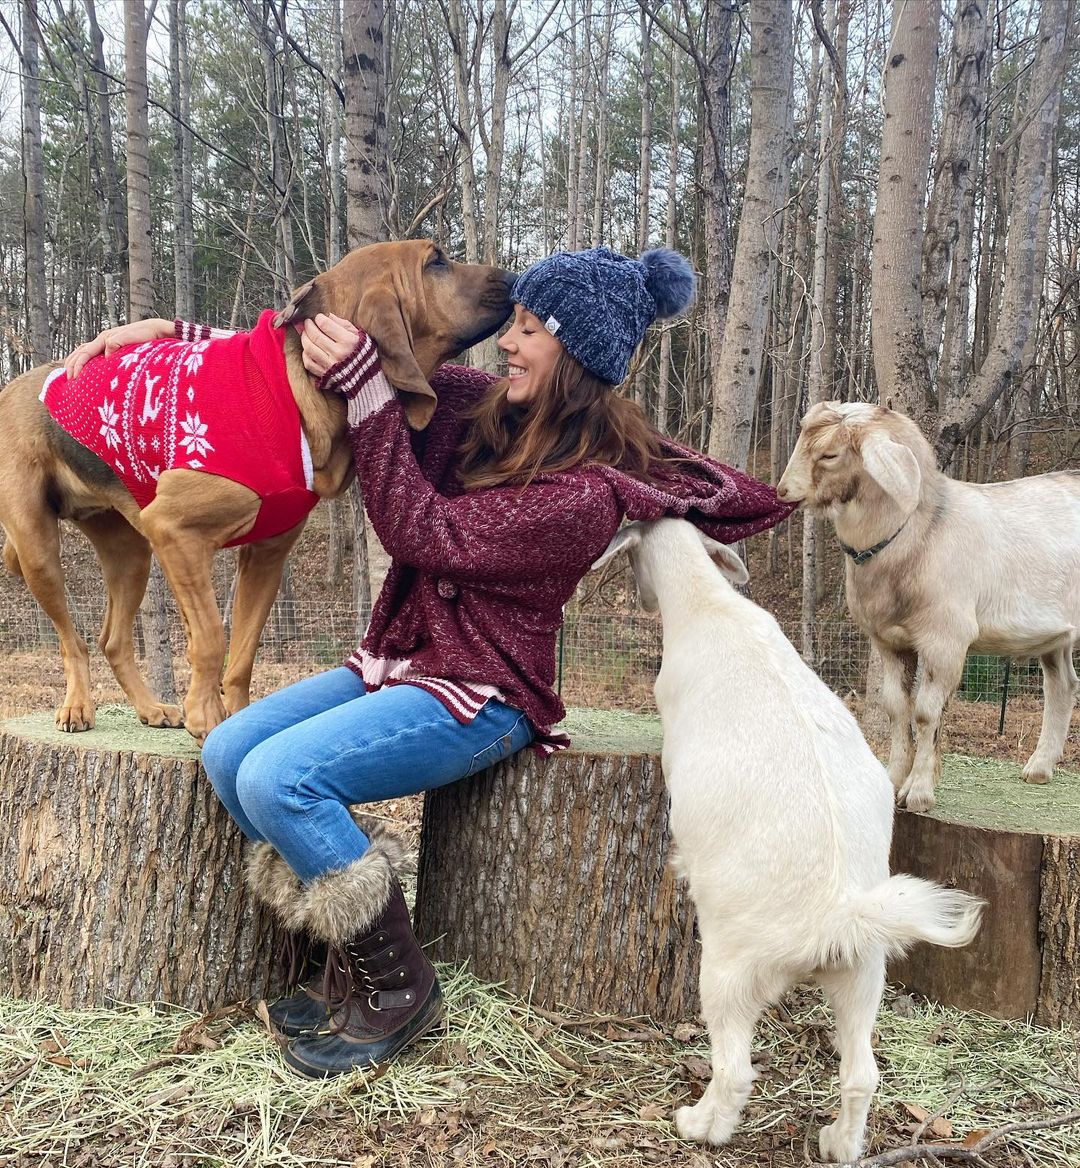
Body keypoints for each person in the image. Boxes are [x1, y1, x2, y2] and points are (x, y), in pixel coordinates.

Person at [69, 247, 793, 1079]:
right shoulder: (481, 404)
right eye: (512, 323)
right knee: (230, 753)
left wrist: (376, 402)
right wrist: (173, 331)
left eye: (529, 331)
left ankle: (400, 989)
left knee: (279, 779)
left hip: (484, 691)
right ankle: (352, 947)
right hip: (400, 660)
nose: (507, 344)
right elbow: (315, 353)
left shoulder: (585, 494)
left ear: (580, 358)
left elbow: (426, 535)